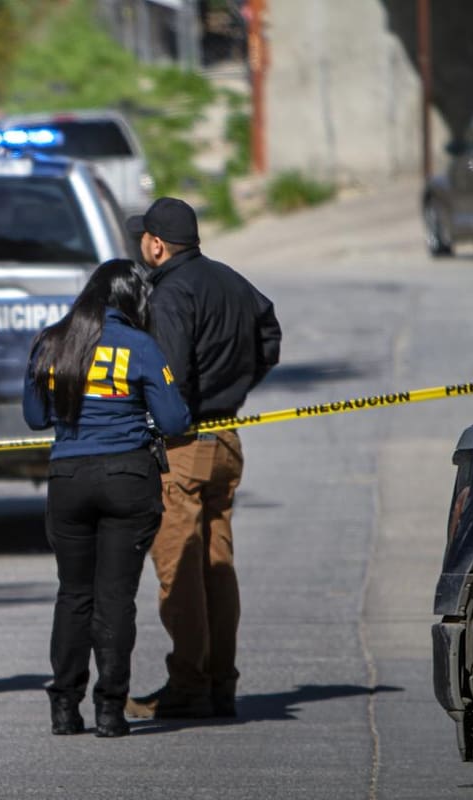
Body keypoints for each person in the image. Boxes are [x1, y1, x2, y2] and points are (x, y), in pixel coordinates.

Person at [123, 197, 282, 720]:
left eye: (142, 239)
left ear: (158, 244)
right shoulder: (230, 279)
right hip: (227, 435)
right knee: (216, 563)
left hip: (184, 443)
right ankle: (220, 682)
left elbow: (167, 374)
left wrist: (172, 415)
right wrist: (236, 386)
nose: (141, 247)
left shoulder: (170, 293)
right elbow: (269, 336)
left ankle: (191, 683)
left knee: (180, 567)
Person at [23, 259, 191, 737]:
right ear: (131, 301)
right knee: (115, 597)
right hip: (126, 476)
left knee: (74, 594)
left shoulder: (51, 341)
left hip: (69, 477)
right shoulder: (140, 345)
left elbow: (35, 417)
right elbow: (175, 421)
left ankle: (64, 706)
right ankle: (110, 710)